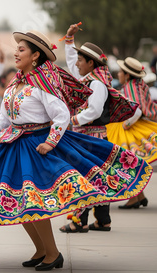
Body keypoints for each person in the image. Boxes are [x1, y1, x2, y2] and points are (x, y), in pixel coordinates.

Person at [0, 30, 151, 271]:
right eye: (16, 49)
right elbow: (3, 117)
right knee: (19, 203)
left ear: (35, 56)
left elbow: (62, 115)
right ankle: (41, 249)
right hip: (15, 143)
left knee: (34, 203)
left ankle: (53, 253)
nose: (16, 53)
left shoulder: (42, 84)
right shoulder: (15, 82)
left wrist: (51, 142)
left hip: (37, 146)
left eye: (21, 50)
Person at [59, 24, 137, 233]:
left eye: (81, 60)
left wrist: (72, 121)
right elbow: (71, 65)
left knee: (83, 175)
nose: (76, 63)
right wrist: (69, 40)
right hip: (91, 137)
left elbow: (93, 111)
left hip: (91, 137)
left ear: (90, 63)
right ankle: (103, 220)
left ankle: (79, 221)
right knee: (99, 176)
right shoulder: (91, 80)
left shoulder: (97, 84)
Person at [106, 57, 157, 209]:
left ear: (127, 75)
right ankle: (139, 196)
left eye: (121, 72)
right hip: (138, 125)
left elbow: (137, 110)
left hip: (130, 128)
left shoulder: (129, 87)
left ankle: (134, 198)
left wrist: (126, 125)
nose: (119, 74)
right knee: (129, 161)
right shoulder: (137, 85)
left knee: (125, 162)